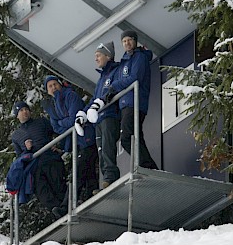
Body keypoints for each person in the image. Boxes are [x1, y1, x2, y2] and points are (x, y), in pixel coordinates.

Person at [42, 75, 98, 218]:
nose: (53, 87)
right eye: (50, 86)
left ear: (60, 84)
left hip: (86, 137)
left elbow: (75, 117)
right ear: (47, 91)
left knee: (78, 170)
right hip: (76, 142)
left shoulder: (70, 95)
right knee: (87, 169)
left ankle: (67, 206)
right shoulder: (52, 105)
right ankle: (92, 194)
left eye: (55, 84)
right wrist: (63, 123)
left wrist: (62, 122)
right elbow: (55, 127)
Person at [104, 30, 158, 169]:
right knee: (136, 137)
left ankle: (147, 166)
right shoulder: (124, 61)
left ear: (135, 41)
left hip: (135, 103)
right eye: (124, 41)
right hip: (125, 104)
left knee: (127, 138)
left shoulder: (139, 57)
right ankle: (149, 167)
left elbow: (135, 77)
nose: (127, 43)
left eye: (129, 40)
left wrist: (115, 86)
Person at [75, 41, 121, 191]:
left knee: (107, 148)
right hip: (99, 120)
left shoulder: (115, 71)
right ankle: (106, 180)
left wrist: (100, 103)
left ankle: (111, 177)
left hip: (109, 115)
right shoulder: (101, 78)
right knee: (101, 150)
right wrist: (82, 114)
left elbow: (112, 91)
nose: (96, 59)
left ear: (108, 56)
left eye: (98, 55)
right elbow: (95, 99)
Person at [11, 101, 66, 211]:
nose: (25, 112)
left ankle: (66, 206)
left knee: (58, 185)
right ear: (17, 115)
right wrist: (27, 149)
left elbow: (58, 130)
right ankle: (56, 210)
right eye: (21, 110)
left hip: (50, 159)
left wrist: (59, 146)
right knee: (42, 191)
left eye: (26, 109)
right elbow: (19, 158)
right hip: (34, 166)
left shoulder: (41, 122)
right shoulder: (16, 135)